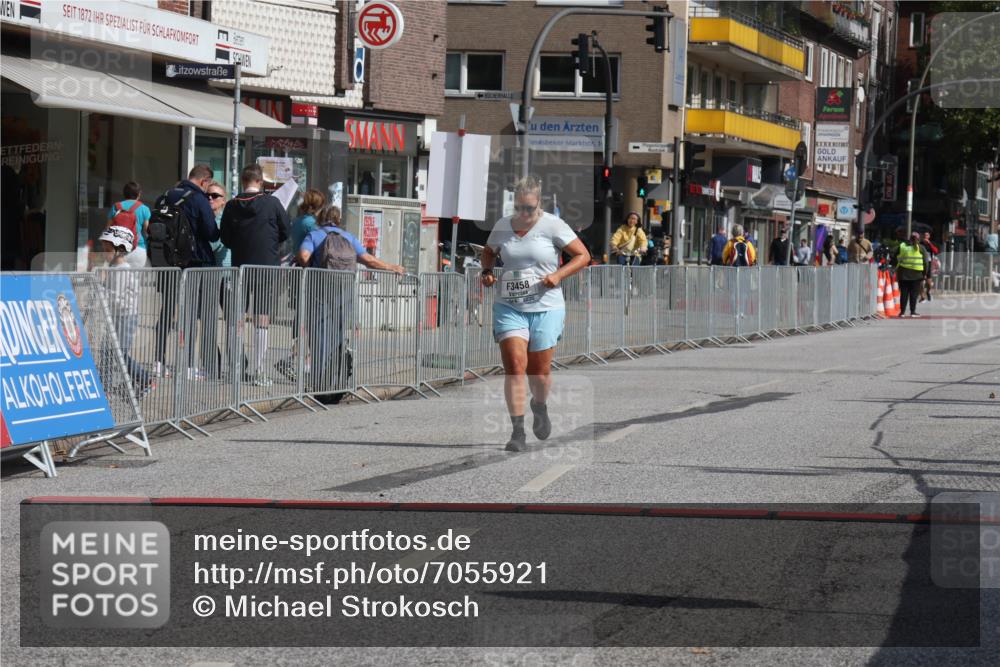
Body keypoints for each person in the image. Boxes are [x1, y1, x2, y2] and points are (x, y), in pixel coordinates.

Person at [480, 176, 590, 452]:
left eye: (529, 208)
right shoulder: (503, 226)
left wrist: (557, 275)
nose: (524, 214)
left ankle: (539, 405)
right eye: (519, 208)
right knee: (515, 367)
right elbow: (488, 253)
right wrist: (487, 272)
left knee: (538, 373)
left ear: (539, 204)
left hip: (545, 306)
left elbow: (583, 256)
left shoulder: (553, 225)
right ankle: (517, 432)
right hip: (510, 306)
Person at [298, 205, 403, 404]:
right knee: (337, 335)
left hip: (320, 291)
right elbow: (369, 260)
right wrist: (392, 267)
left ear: (320, 219)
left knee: (319, 335)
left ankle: (320, 385)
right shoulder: (349, 237)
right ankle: (335, 381)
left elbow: (303, 256)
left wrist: (308, 268)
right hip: (344, 293)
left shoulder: (315, 235)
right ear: (339, 220)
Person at [220, 163, 291, 387]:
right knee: (262, 319)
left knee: (237, 318)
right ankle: (259, 370)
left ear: (243, 181)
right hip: (266, 267)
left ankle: (236, 367)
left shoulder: (231, 205)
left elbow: (225, 238)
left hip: (240, 266)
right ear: (260, 181)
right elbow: (285, 231)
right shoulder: (272, 203)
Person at [153, 165, 220, 378]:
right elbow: (211, 233)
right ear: (204, 181)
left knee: (166, 311)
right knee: (190, 313)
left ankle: (158, 361)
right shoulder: (199, 199)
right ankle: (188, 365)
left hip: (166, 262)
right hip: (192, 262)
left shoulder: (165, 196)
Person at [98, 226, 154, 399]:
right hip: (117, 316)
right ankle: (105, 386)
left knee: (118, 353)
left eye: (107, 249)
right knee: (107, 351)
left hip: (125, 317)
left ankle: (145, 380)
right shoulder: (115, 268)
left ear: (119, 250)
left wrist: (101, 290)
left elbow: (117, 298)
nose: (104, 253)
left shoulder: (122, 270)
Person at [107, 181, 150, 267]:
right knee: (137, 280)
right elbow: (147, 231)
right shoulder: (144, 209)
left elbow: (108, 229)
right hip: (138, 249)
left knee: (120, 279)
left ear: (124, 193)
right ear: (139, 194)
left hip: (120, 250)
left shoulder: (116, 207)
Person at [891, 230, 928, 317]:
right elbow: (925, 262)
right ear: (918, 239)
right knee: (913, 294)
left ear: (909, 239)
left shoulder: (902, 246)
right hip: (917, 275)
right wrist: (925, 273)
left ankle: (902, 312)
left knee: (904, 294)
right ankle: (912, 312)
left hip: (903, 274)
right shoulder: (921, 248)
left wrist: (895, 266)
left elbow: (894, 255)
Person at [290, 188, 326, 256]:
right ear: (314, 208)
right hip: (308, 260)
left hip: (297, 257)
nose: (322, 209)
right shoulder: (311, 223)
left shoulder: (297, 220)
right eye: (321, 206)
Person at [921, 231, 940, 302]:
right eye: (924, 235)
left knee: (929, 283)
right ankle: (922, 296)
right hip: (920, 263)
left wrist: (929, 243)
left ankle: (928, 292)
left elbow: (936, 251)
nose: (925, 236)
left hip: (928, 263)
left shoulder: (931, 244)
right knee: (921, 281)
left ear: (929, 236)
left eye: (927, 235)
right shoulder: (920, 244)